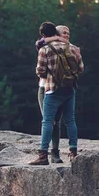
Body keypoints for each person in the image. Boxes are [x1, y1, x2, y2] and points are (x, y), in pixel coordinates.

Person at [30, 22, 84, 165]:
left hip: (51, 89)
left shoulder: (45, 49)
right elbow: (80, 69)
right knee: (70, 121)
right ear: (56, 34)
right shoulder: (72, 49)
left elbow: (40, 71)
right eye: (64, 33)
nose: (66, 35)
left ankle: (44, 155)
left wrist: (51, 75)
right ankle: (72, 153)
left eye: (68, 33)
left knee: (48, 121)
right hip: (69, 89)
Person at [35, 27, 66, 163]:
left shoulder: (64, 47)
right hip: (53, 88)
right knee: (53, 122)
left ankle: (51, 153)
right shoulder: (46, 46)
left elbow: (40, 71)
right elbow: (39, 43)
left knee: (52, 122)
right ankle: (53, 154)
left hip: (50, 88)